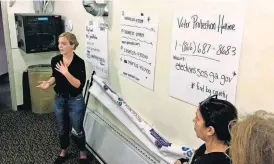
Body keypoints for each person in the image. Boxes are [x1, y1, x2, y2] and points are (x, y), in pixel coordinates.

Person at [37, 32, 87, 164]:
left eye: (64, 43)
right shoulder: (55, 60)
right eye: (59, 43)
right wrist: (48, 82)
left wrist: (66, 72)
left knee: (78, 127)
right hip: (59, 99)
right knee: (62, 127)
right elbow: (55, 76)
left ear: (72, 45)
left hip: (75, 100)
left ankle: (82, 152)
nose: (60, 46)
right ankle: (63, 150)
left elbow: (78, 84)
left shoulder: (79, 63)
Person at [175, 95, 238, 164]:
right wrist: (182, 161)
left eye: (197, 118)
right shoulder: (227, 148)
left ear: (210, 130)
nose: (194, 120)